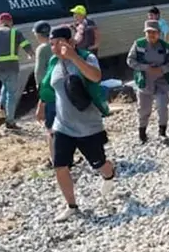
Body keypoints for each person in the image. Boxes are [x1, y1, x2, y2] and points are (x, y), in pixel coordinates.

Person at [47, 26, 117, 222]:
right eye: (51, 44)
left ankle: (109, 175)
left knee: (100, 164)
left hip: (88, 126)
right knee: (60, 166)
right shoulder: (54, 63)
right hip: (62, 126)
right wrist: (42, 106)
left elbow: (96, 76)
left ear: (70, 42)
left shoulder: (87, 57)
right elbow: (49, 87)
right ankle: (72, 206)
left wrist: (73, 57)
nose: (54, 48)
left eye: (58, 43)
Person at [126, 20, 169, 144]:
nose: (151, 35)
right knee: (144, 109)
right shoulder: (138, 44)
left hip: (161, 81)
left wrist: (162, 69)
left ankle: (162, 133)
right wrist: (145, 68)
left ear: (159, 33)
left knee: (162, 107)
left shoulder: (165, 47)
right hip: (144, 81)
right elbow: (130, 60)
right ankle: (142, 134)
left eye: (154, 32)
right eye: (148, 32)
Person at [0, 12, 34, 130]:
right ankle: (10, 121)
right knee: (11, 94)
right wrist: (30, 53)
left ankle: (1, 107)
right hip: (11, 67)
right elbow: (26, 44)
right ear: (11, 22)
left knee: (5, 86)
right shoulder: (15, 32)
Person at [32, 20, 56, 165]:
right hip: (61, 90)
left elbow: (39, 73)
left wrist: (41, 98)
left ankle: (55, 159)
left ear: (38, 35)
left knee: (51, 127)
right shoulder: (57, 45)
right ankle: (68, 156)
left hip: (49, 92)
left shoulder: (42, 49)